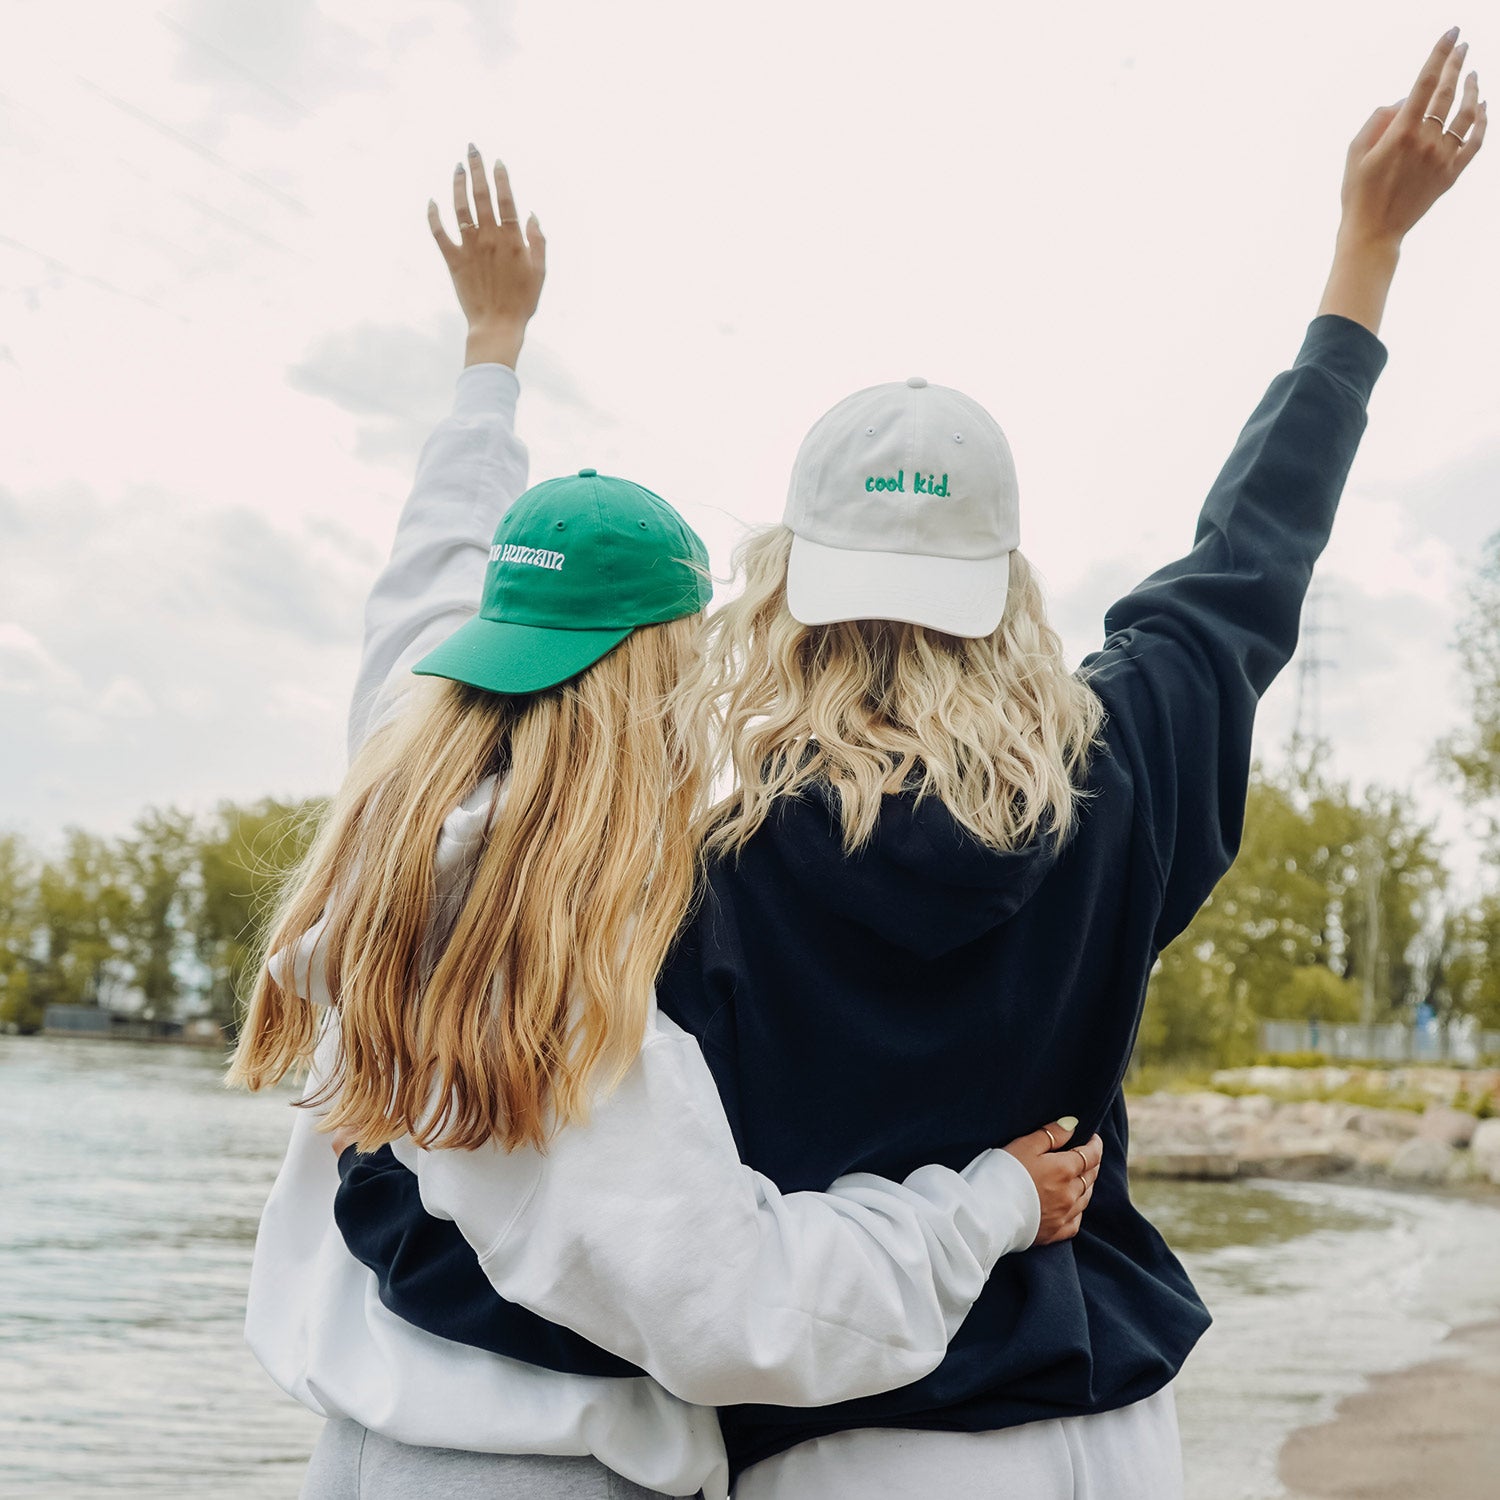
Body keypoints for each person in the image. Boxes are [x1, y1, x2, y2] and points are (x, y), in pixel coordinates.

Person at [329, 27, 1486, 1500]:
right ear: (1010, 592)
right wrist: (1362, 261)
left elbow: (617, 1230)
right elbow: (1255, 555)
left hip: (836, 1441)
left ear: (780, 587)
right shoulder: (1124, 770)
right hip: (1100, 1428)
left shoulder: (667, 859)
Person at [232, 145, 1103, 1500]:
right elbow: (739, 1315)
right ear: (668, 673)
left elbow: (429, 568)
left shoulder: (391, 803)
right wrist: (988, 1201)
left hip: (351, 1454)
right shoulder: (566, 986)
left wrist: (492, 350)